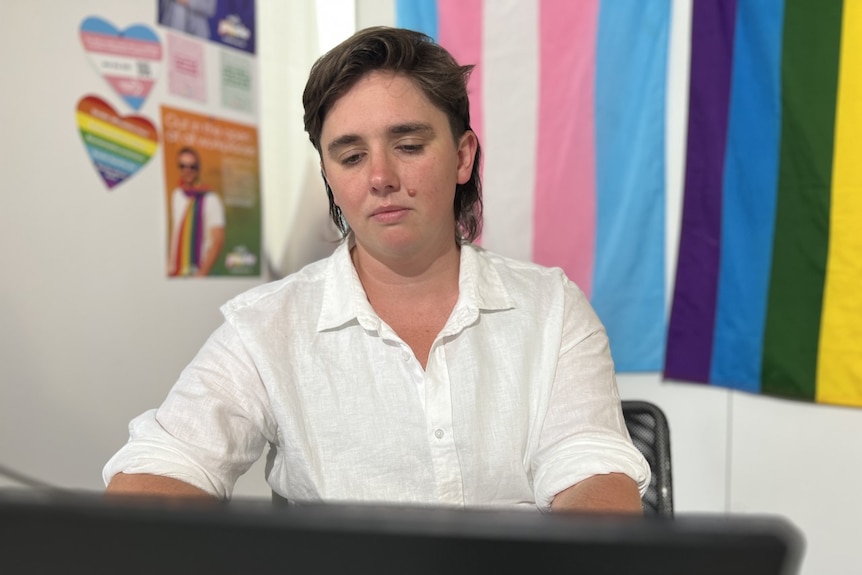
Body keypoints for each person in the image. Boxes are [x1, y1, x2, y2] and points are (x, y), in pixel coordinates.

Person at [105, 26, 650, 513]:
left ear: (462, 157)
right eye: (350, 157)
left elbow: (591, 472)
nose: (381, 177)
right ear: (329, 175)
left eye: (408, 145)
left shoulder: (551, 309)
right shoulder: (267, 326)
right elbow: (168, 461)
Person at [167, 146, 225, 277]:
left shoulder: (211, 199)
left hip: (197, 273)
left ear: (198, 168)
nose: (187, 171)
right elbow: (176, 233)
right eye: (183, 166)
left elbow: (218, 240)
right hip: (175, 273)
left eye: (192, 166)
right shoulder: (176, 194)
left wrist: (201, 275)